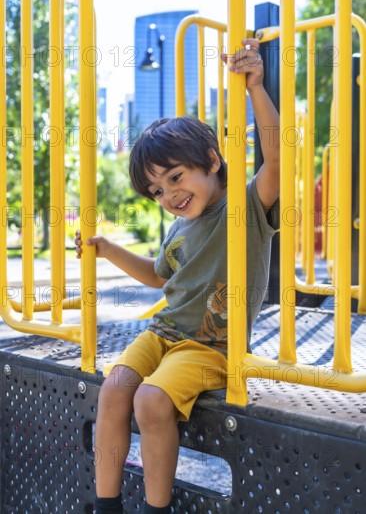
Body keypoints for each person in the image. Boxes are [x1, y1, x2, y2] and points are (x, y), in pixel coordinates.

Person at [75, 38, 280, 514]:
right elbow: (156, 276)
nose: (168, 194)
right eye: (157, 190)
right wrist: (108, 249)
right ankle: (106, 506)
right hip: (164, 332)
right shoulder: (177, 227)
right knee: (114, 389)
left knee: (149, 401)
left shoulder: (244, 207)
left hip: (212, 344)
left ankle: (155, 508)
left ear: (211, 160)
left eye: (175, 176)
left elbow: (276, 162)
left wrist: (256, 89)